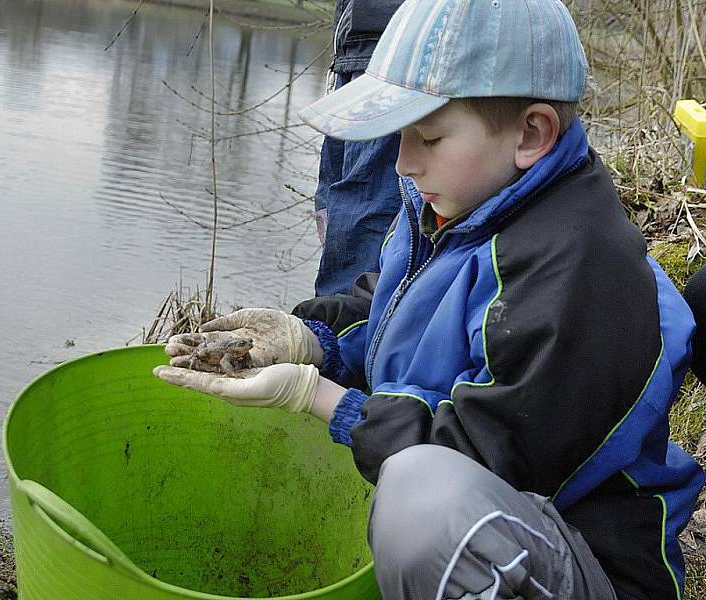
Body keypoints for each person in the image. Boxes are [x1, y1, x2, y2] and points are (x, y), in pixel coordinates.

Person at [154, 1, 705, 598]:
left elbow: (479, 460)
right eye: (399, 137)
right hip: (502, 522)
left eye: (428, 137)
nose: (403, 162)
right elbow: (390, 309)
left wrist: (321, 399)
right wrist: (311, 340)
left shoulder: (579, 268)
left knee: (423, 502)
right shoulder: (463, 203)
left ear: (531, 133)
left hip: (585, 559)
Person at [312, 0, 404, 296]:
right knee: (333, 213)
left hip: (397, 51)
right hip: (351, 53)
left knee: (366, 220)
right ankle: (327, 330)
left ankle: (343, 335)